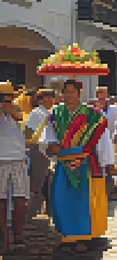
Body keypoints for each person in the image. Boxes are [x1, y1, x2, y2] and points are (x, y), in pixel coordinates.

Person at [41, 79, 114, 252]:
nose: (69, 95)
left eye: (72, 92)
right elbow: (48, 136)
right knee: (63, 199)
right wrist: (50, 145)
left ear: (79, 93)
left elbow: (102, 140)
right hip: (63, 162)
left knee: (83, 201)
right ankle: (67, 233)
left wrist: (105, 164)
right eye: (66, 91)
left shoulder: (93, 115)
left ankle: (83, 236)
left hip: (85, 163)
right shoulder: (55, 113)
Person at [0, 81, 29, 252]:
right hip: (1, 161)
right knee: (1, 201)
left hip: (19, 160)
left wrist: (10, 109)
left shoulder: (16, 110)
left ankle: (18, 235)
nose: (8, 102)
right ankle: (4, 236)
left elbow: (22, 118)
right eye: (4, 99)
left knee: (20, 200)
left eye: (10, 98)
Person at [23, 88, 55, 218]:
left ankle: (46, 210)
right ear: (42, 100)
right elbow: (27, 132)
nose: (53, 100)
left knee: (47, 180)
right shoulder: (36, 113)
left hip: (47, 151)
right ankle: (30, 212)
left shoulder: (48, 112)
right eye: (51, 97)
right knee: (37, 182)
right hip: (38, 150)